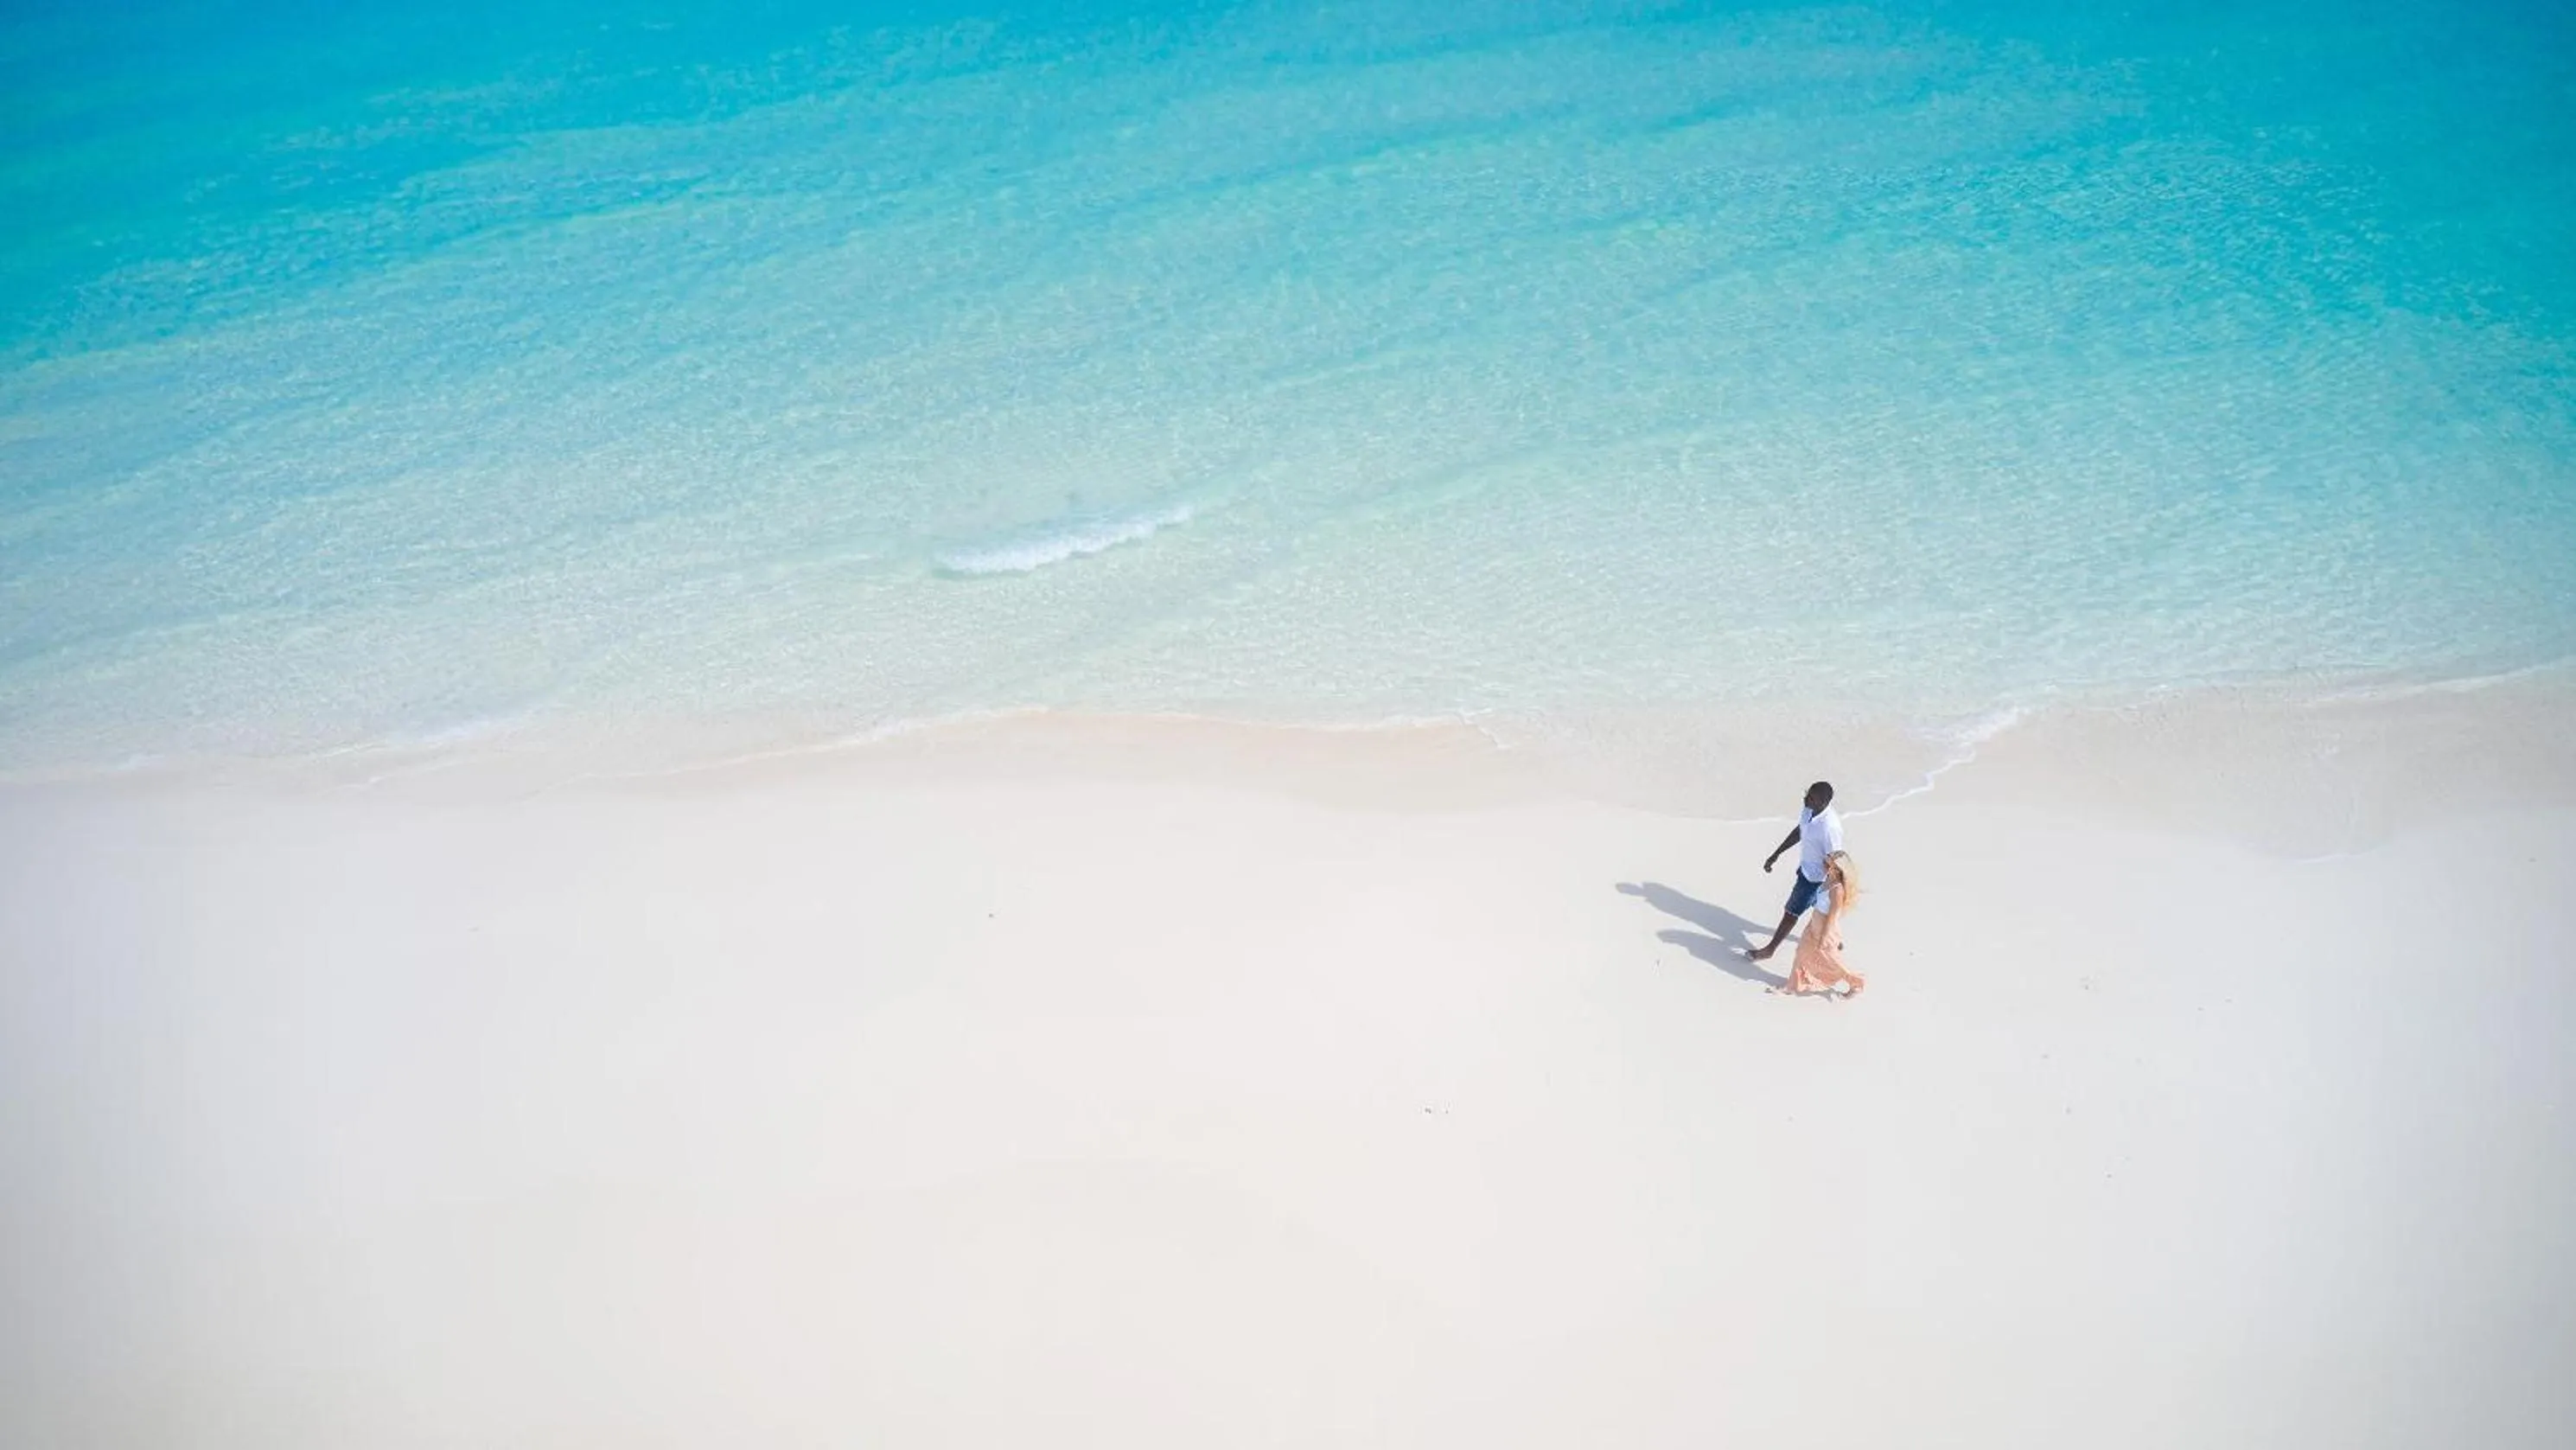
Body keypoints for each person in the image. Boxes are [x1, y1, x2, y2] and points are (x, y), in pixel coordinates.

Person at [1746, 780, 1841, 963]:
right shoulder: (1809, 809)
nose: (1806, 799)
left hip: (1816, 880)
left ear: (1823, 802)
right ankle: (1834, 939)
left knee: (1791, 913)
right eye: (1807, 794)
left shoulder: (1830, 828)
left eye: (1811, 798)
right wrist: (1777, 854)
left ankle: (1770, 950)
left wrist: (1832, 889)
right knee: (1822, 912)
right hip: (1805, 869)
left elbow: (1835, 859)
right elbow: (1800, 831)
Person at [1774, 851, 1865, 998]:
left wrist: (1824, 936)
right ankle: (1791, 986)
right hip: (1814, 924)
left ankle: (1856, 982)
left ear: (1837, 869)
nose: (1824, 866)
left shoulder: (1837, 890)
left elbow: (1833, 916)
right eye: (1825, 862)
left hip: (1825, 929)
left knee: (1831, 961)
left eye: (1828, 864)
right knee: (1801, 953)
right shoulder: (1828, 880)